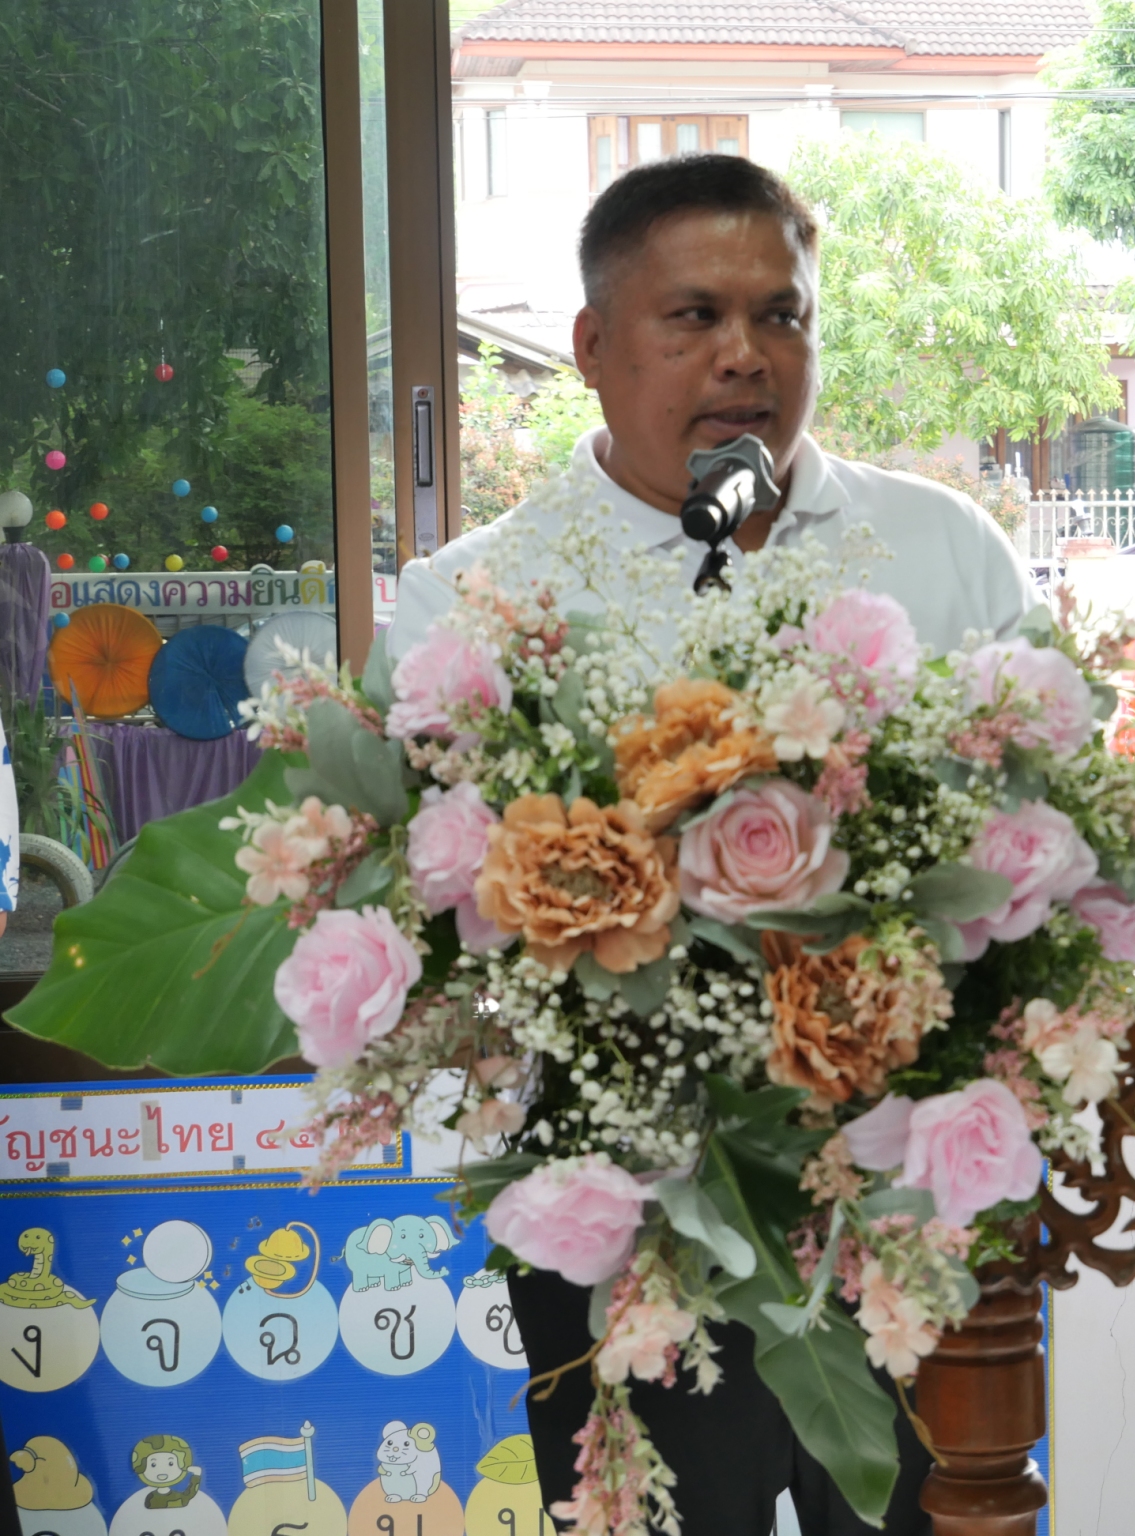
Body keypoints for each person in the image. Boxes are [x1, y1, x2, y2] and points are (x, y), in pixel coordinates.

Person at [388, 155, 1038, 1535]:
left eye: (780, 315)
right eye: (694, 316)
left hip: (906, 1195)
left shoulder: (942, 550)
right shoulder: (474, 602)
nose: (746, 354)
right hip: (625, 1215)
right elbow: (443, 916)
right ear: (591, 346)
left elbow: (1048, 836)